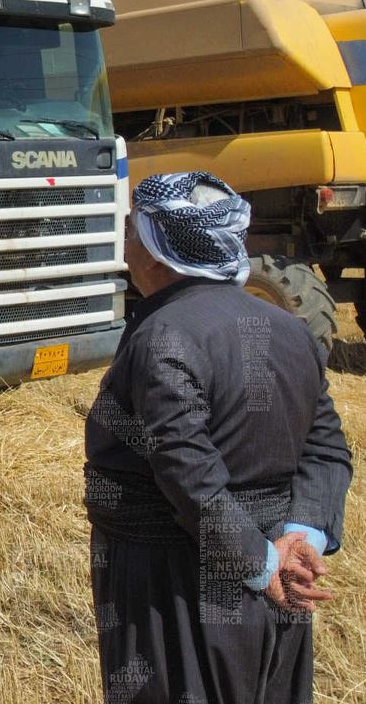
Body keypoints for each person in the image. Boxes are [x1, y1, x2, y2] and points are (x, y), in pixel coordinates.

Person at [85, 171, 352, 704]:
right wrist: (301, 537)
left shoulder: (162, 334)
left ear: (157, 251)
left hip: (172, 581)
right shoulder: (290, 329)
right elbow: (326, 449)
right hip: (276, 569)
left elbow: (186, 468)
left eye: (132, 232)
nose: (124, 242)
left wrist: (258, 563)